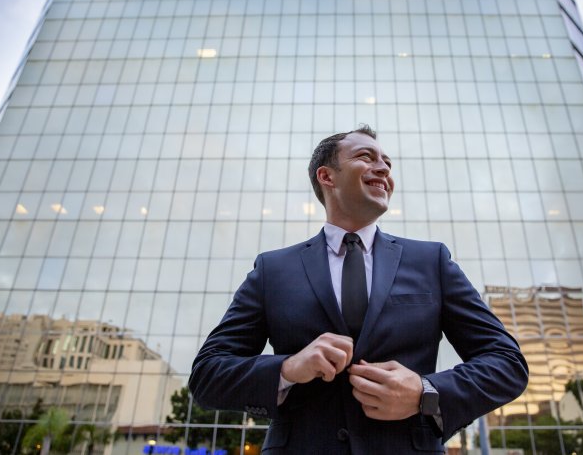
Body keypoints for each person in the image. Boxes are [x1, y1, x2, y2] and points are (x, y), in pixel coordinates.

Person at [189, 125, 528, 454]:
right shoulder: (272, 270)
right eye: (367, 157)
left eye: (388, 163)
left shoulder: (431, 261)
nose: (383, 168)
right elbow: (208, 374)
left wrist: (427, 392)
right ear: (327, 177)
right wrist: (288, 368)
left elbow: (506, 363)